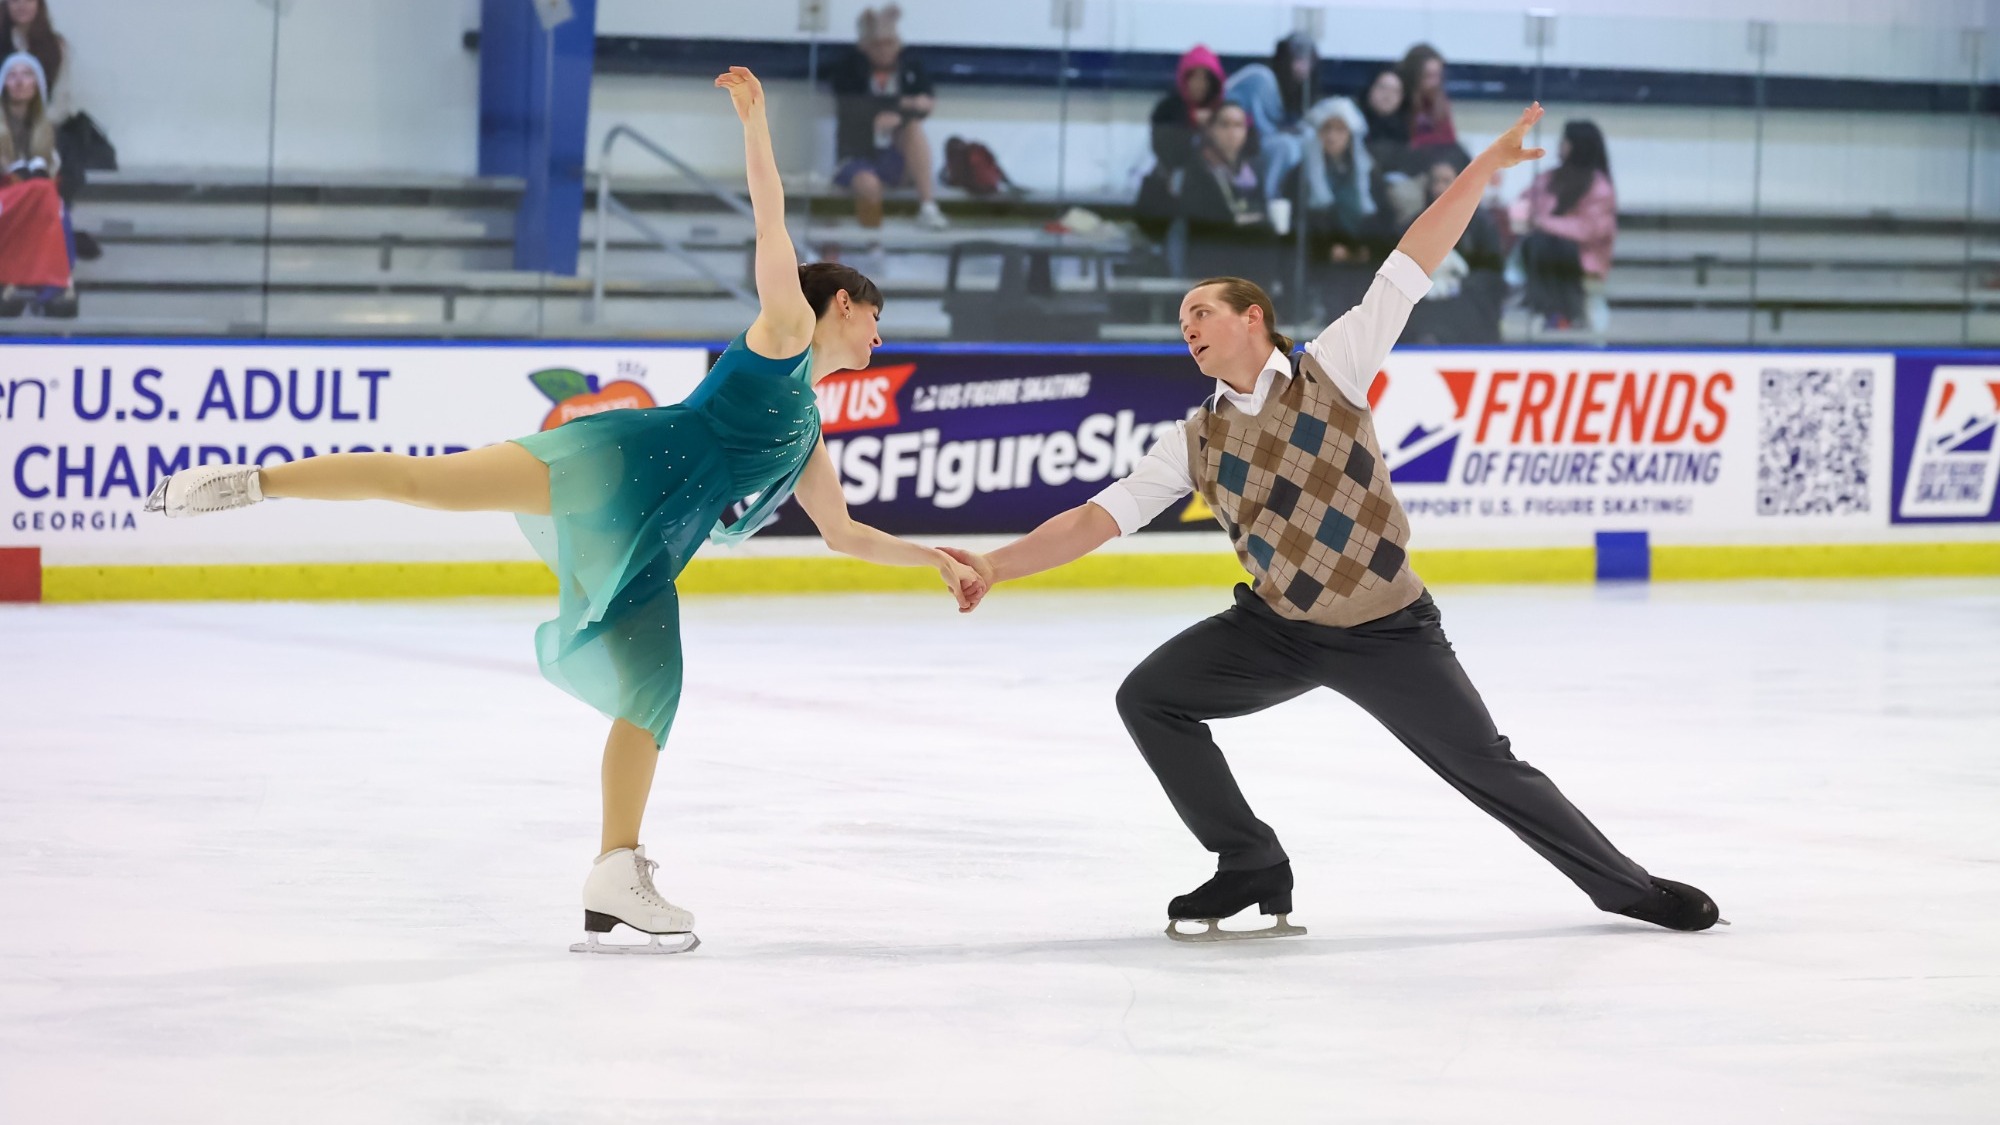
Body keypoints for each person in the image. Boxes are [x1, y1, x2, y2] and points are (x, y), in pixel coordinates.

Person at [143, 67, 987, 955]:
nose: (882, 338)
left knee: (655, 694)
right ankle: (247, 484)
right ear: (840, 305)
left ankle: (616, 870)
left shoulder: (808, 429)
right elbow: (769, 218)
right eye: (874, 319)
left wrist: (935, 557)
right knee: (430, 483)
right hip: (616, 464)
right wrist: (757, 123)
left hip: (654, 543)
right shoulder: (782, 333)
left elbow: (844, 533)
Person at [945, 103, 1722, 942]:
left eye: (1202, 310)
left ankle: (1627, 888)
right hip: (1276, 628)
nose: (1189, 327)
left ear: (1253, 318)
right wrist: (996, 564)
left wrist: (1482, 171)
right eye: (1181, 323)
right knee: (1151, 699)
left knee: (1486, 767)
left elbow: (1413, 259)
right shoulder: (1194, 439)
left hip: (1389, 628)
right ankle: (1248, 859)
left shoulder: (1334, 368)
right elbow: (1093, 519)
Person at [828, 5, 947, 233]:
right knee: (868, 184)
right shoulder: (849, 69)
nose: (884, 50)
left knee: (913, 129)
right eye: (877, 44)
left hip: (893, 154)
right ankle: (874, 242)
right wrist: (904, 104)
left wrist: (900, 112)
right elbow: (855, 108)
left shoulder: (910, 66)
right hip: (857, 153)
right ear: (864, 46)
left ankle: (928, 207)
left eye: (889, 43)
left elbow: (925, 103)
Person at [1, 0, 93, 260]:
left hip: (45, 126)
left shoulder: (56, 46)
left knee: (56, 157)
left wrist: (37, 124)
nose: (21, 6)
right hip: (3, 127)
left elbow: (62, 100)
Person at [1510, 119, 1616, 332]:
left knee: (1556, 246)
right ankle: (1548, 311)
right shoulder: (1548, 179)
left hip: (1581, 257)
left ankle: (1566, 313)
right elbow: (1525, 203)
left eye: (1565, 142)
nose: (1560, 146)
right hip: (1542, 248)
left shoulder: (1600, 188)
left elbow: (1588, 230)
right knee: (1539, 243)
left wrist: (1544, 223)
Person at [1403, 151, 1506, 344]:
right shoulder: (1414, 224)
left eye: (1446, 181)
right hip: (1424, 301)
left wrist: (1459, 284)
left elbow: (1493, 274)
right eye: (1435, 181)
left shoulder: (1481, 224)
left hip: (1466, 300)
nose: (1439, 188)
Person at [0, 51, 73, 317]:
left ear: (37, 84)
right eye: (12, 75)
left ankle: (22, 282)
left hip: (31, 199)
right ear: (3, 84)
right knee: (44, 196)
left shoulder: (49, 129)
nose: (20, 82)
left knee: (51, 200)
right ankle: (56, 285)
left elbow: (56, 170)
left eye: (27, 74)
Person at [1178, 100, 1273, 283]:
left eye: (1238, 125)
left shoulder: (1252, 169)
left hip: (1247, 257)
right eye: (1225, 125)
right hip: (1211, 255)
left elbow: (1261, 210)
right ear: (1212, 130)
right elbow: (1196, 218)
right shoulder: (1199, 166)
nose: (1232, 132)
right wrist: (1233, 219)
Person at [1223, 32, 1319, 202]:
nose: (1303, 67)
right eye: (1297, 59)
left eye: (1308, 61)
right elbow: (1260, 129)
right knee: (1286, 146)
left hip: (1260, 152)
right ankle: (1271, 200)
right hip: (1235, 149)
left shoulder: (1301, 91)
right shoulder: (1262, 78)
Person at [1398, 43, 1460, 155]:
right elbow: (1407, 144)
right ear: (1413, 76)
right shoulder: (1400, 101)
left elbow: (1449, 139)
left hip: (1438, 158)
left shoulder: (1439, 100)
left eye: (1437, 76)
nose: (1435, 83)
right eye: (1428, 76)